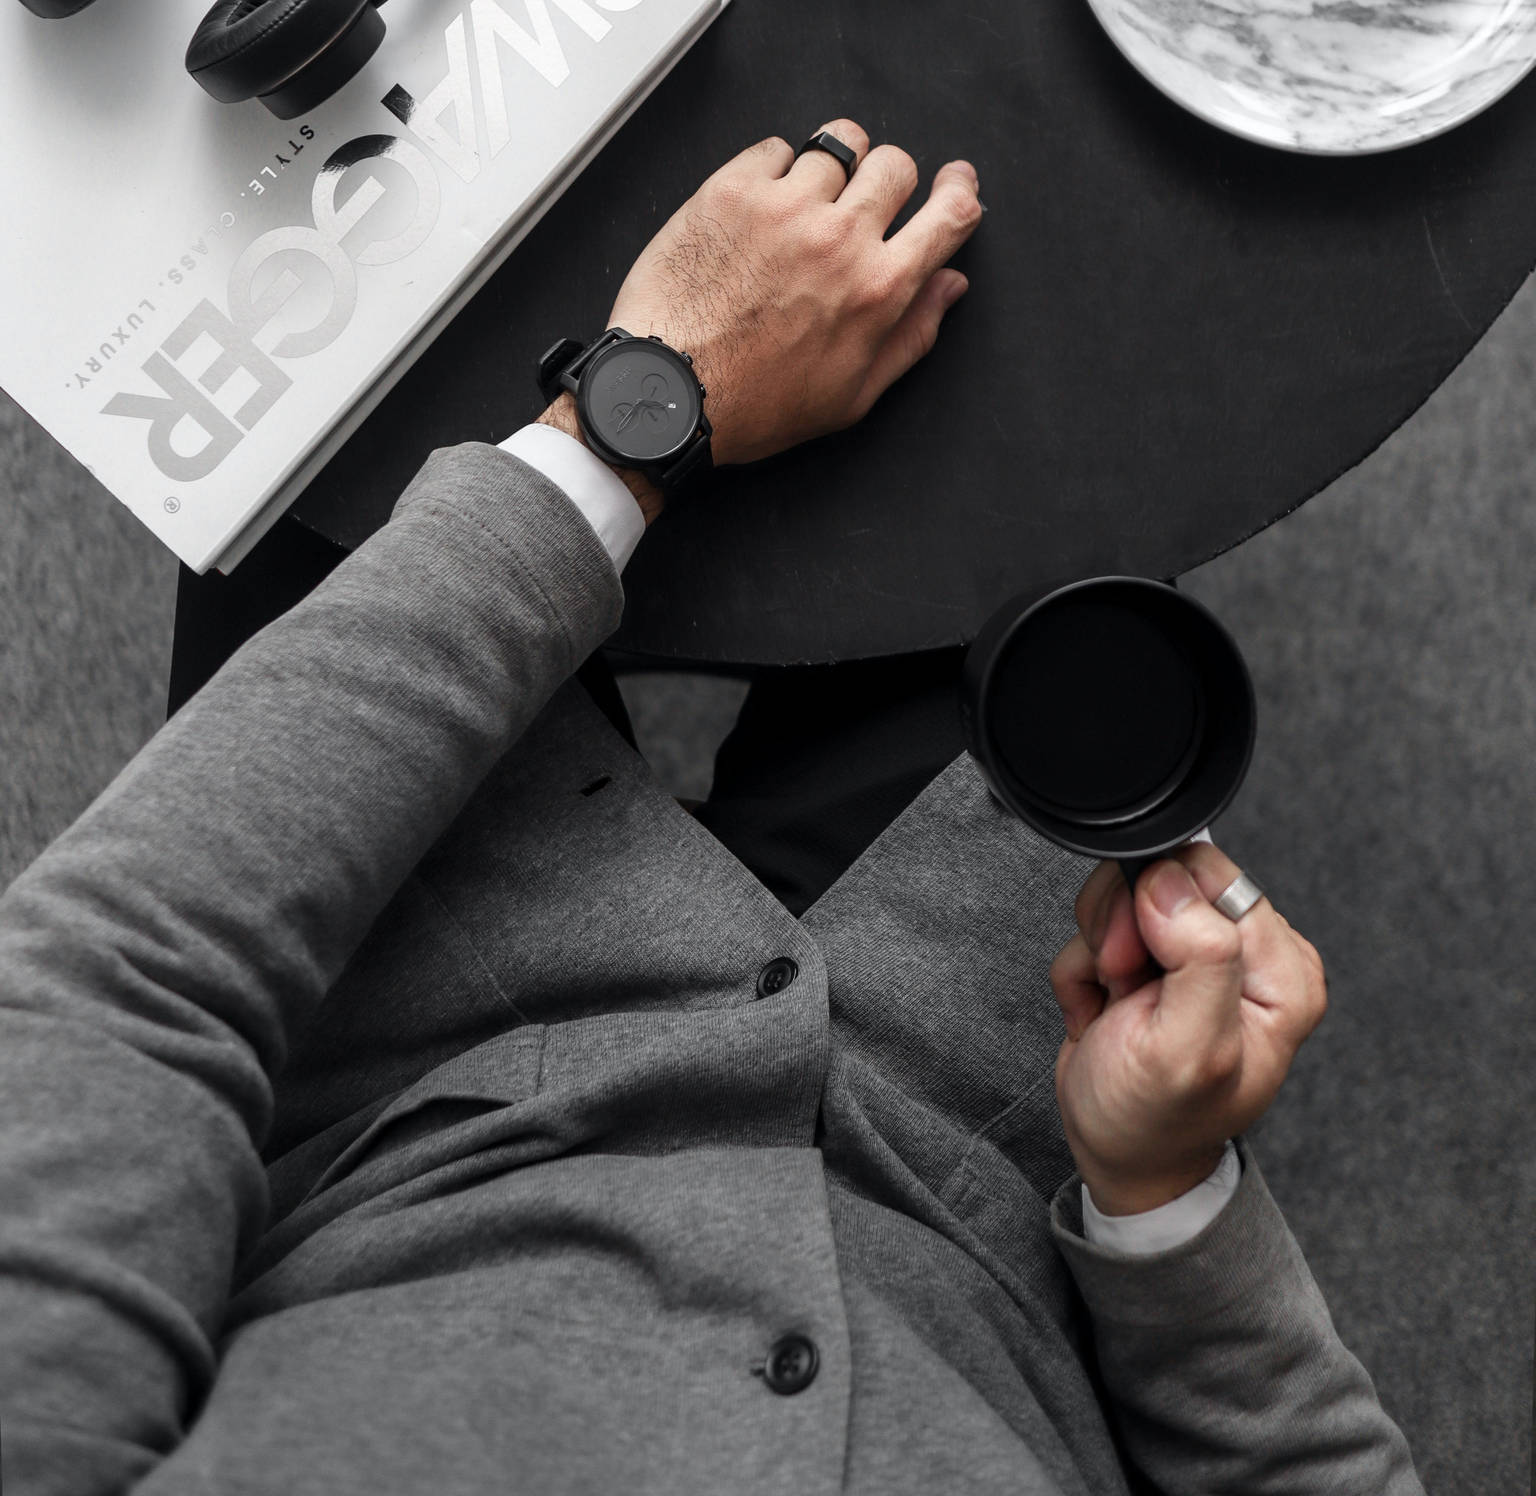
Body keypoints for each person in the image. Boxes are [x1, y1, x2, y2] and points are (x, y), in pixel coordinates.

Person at [0, 120, 1423, 1495]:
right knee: (1018, 240)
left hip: (399, 1039)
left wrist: (628, 420)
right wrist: (1165, 1196)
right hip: (979, 1120)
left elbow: (105, 998)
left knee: (310, 211)